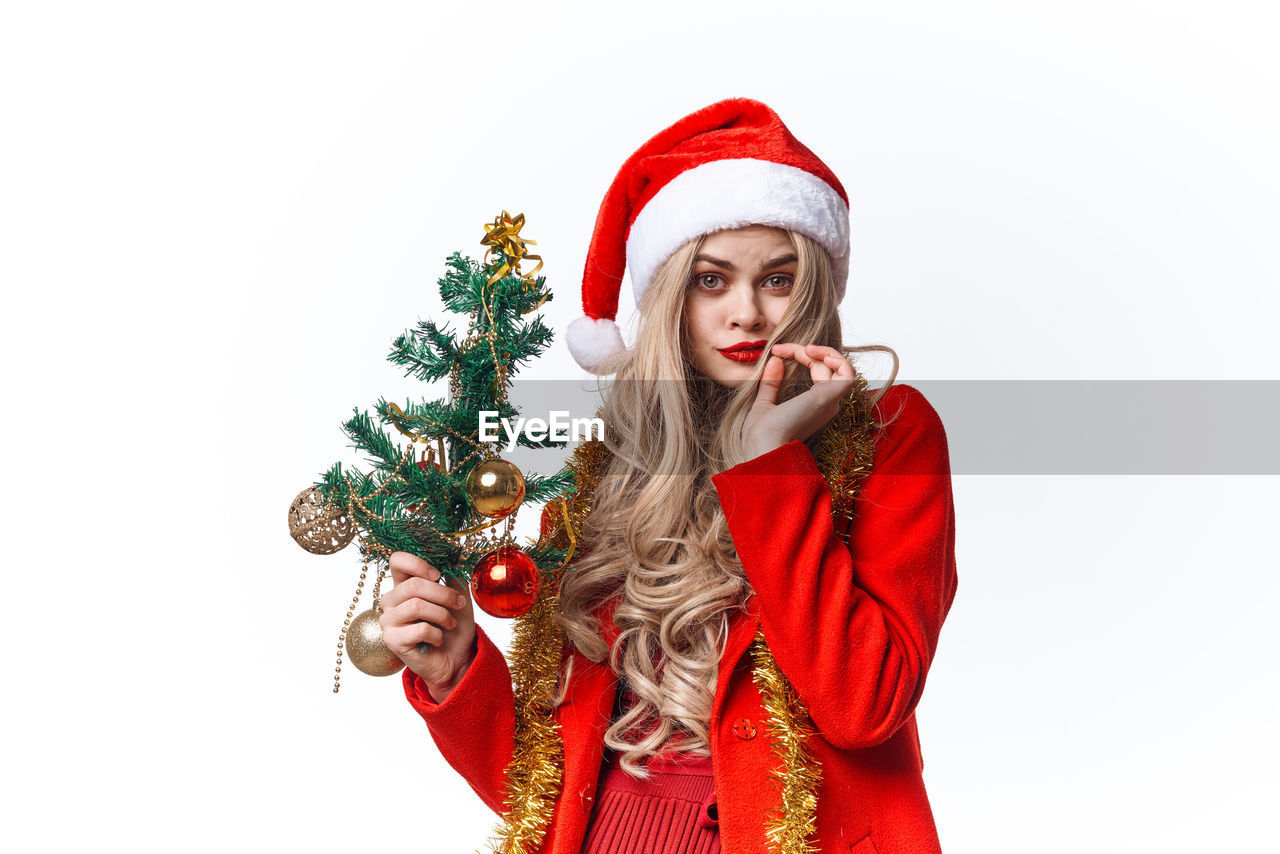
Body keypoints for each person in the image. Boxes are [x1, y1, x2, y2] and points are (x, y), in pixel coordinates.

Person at [378, 98, 958, 854]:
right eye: (711, 281)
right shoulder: (603, 476)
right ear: (670, 295)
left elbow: (864, 702)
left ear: (812, 287)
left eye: (777, 280)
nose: (746, 313)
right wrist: (459, 675)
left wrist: (769, 462)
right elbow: (548, 789)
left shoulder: (890, 438)